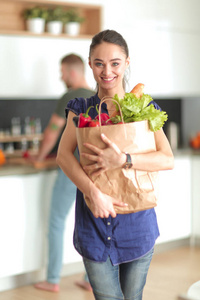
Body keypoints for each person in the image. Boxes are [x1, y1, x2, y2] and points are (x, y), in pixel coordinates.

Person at [56, 30, 174, 300]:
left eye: (115, 63)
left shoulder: (143, 107)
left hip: (138, 226)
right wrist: (92, 192)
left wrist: (124, 160)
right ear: (90, 64)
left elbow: (167, 158)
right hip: (94, 226)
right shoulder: (81, 108)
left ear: (127, 63)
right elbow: (63, 155)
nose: (106, 71)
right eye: (99, 63)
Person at [34, 54, 94, 293]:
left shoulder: (71, 96)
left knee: (57, 221)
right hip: (93, 169)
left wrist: (39, 157)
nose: (60, 77)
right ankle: (91, 279)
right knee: (91, 222)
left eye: (62, 72)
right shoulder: (99, 96)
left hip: (72, 166)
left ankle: (52, 279)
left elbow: (52, 131)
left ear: (71, 72)